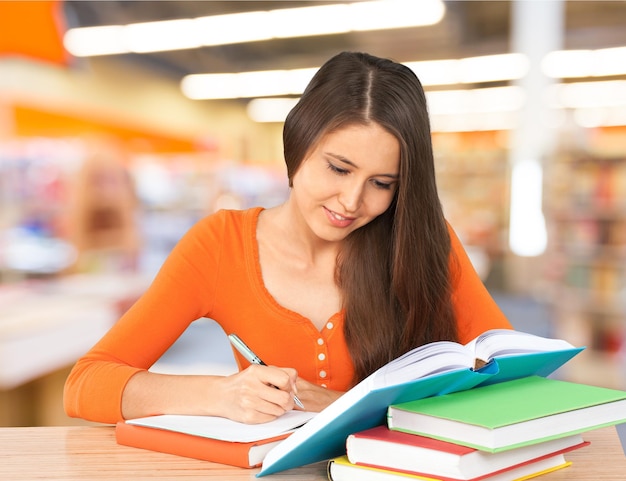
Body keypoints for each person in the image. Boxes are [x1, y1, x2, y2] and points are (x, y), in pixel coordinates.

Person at [64, 51, 512, 426]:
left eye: (382, 184)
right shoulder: (220, 245)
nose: (352, 201)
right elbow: (87, 384)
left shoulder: (425, 243)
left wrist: (344, 409)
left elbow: (514, 379)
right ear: (297, 144)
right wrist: (221, 395)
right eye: (338, 168)